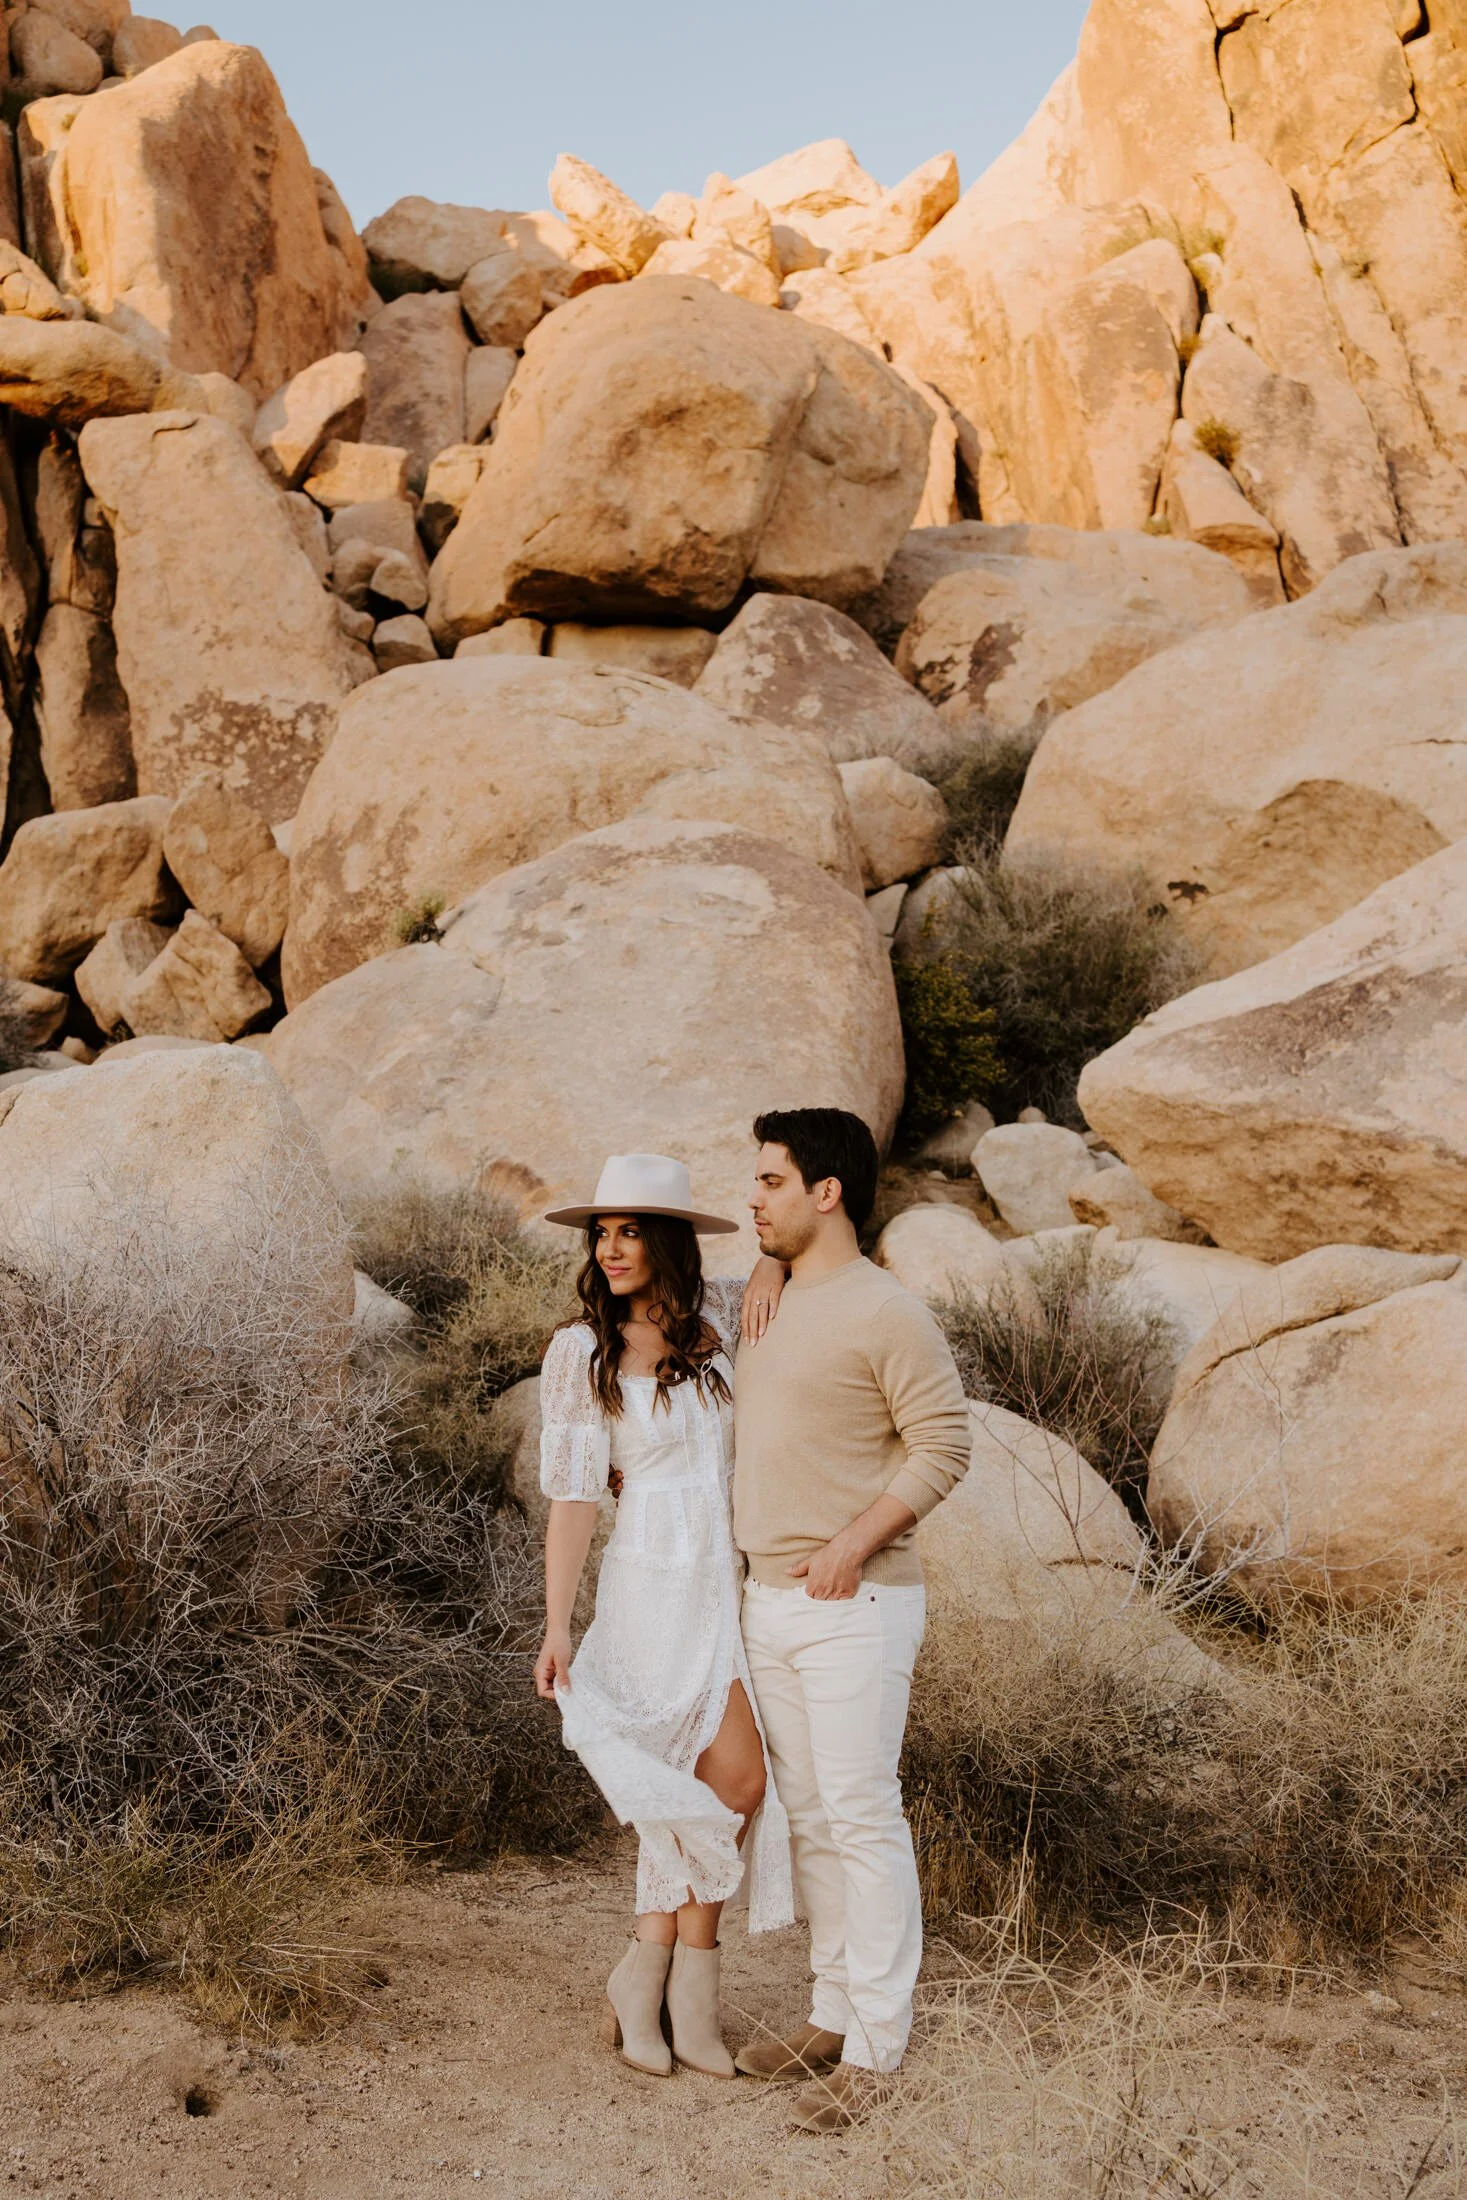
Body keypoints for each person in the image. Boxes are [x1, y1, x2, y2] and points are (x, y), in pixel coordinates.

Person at [732, 1107, 972, 2134]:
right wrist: (767, 1265)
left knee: (864, 1819)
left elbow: (945, 1444)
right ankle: (831, 2014)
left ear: (825, 1192)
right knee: (812, 1820)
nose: (753, 1197)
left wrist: (849, 1544)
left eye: (771, 1181)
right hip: (767, 1603)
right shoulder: (772, 1296)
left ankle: (876, 2047)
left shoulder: (888, 1310)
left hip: (855, 1603)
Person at [532, 1152, 793, 2082]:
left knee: (734, 1783)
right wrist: (558, 1624)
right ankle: (672, 1990)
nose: (610, 1250)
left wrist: (769, 1263)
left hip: (724, 1582)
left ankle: (657, 1980)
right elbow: (573, 1497)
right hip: (647, 1581)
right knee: (683, 1789)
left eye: (631, 1232)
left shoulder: (717, 1317)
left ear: (669, 1242)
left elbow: (787, 1257)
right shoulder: (579, 1351)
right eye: (602, 1234)